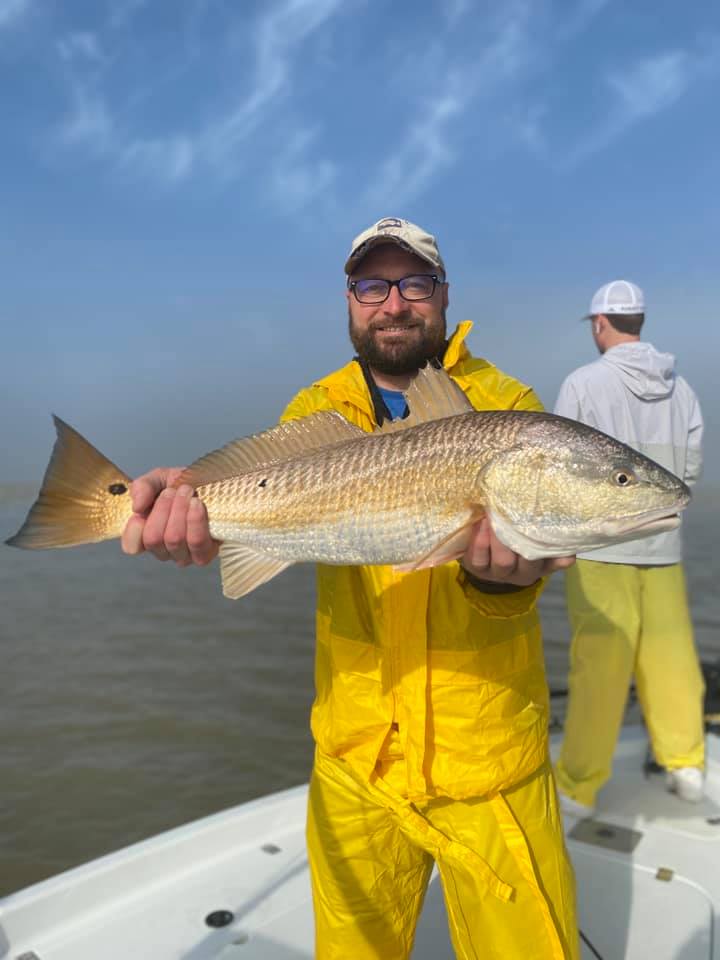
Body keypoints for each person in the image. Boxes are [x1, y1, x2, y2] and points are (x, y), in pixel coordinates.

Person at [121, 217, 579, 959]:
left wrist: (502, 585)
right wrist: (189, 504)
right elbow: (266, 506)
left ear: (443, 294)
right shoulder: (315, 408)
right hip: (352, 757)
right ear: (349, 300)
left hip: (488, 759)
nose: (393, 303)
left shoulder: (508, 405)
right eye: (373, 285)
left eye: (414, 283)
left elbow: (523, 559)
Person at [553, 279, 705, 818]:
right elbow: (687, 473)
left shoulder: (583, 383)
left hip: (601, 546)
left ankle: (578, 785)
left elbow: (562, 468)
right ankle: (686, 763)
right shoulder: (681, 388)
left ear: (600, 324)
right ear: (639, 321)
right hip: (663, 542)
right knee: (671, 656)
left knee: (599, 664)